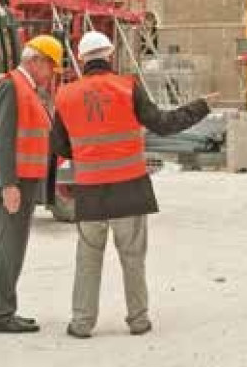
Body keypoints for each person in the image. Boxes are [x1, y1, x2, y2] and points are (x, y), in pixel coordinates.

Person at [50, 31, 214, 338]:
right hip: (129, 189)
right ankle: (138, 321)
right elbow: (164, 125)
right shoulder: (128, 87)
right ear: (110, 56)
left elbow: (58, 145)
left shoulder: (65, 96)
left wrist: (87, 154)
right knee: (132, 258)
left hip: (90, 192)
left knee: (88, 259)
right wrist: (200, 106)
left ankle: (82, 323)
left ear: (82, 60)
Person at [0, 34, 62, 334]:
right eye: (51, 67)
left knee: (12, 246)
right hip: (14, 182)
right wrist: (8, 184)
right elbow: (1, 138)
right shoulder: (12, 86)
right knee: (7, 247)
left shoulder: (26, 89)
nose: (52, 74)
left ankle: (4, 309)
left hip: (23, 181)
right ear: (36, 60)